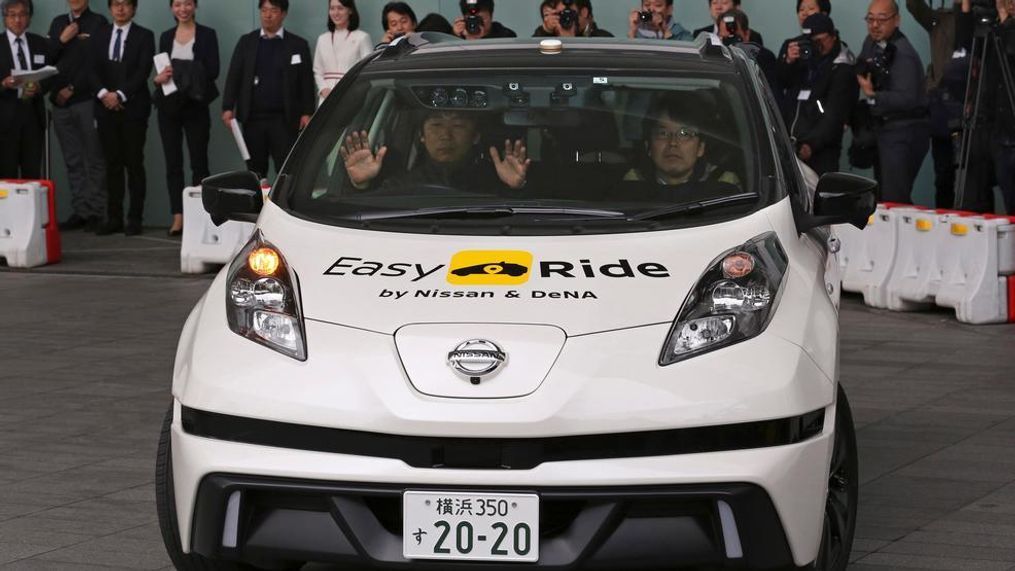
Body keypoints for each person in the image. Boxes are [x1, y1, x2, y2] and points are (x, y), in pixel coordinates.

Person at [222, 0, 315, 181]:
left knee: (287, 171)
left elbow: (306, 81)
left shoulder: (298, 44)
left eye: (273, 10)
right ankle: (258, 208)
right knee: (255, 172)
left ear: (283, 13)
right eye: (264, 10)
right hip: (253, 119)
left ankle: (282, 208)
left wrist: (307, 112)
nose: (268, 15)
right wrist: (227, 107)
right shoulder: (247, 42)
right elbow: (234, 76)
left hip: (285, 120)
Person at [89, 0, 155, 236]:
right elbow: (91, 68)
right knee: (112, 164)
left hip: (134, 109)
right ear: (110, 8)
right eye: (116, 4)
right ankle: (113, 217)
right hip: (104, 107)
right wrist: (104, 95)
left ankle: (134, 218)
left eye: (125, 4)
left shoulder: (144, 36)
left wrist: (120, 95)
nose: (120, 9)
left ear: (134, 8)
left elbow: (143, 70)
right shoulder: (100, 33)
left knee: (134, 164)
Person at [154, 0, 219, 237]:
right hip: (169, 106)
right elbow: (160, 70)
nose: (183, 9)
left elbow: (213, 70)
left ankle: (200, 215)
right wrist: (159, 78)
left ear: (195, 6)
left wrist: (179, 70)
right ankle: (178, 217)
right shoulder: (165, 36)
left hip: (195, 105)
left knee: (199, 163)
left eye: (187, 3)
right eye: (178, 4)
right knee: (173, 164)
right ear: (172, 8)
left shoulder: (207, 35)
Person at [341, 111, 530, 191]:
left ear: (475, 136)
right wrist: (361, 186)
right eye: (436, 125)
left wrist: (515, 189)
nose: (445, 135)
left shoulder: (495, 181)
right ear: (421, 136)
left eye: (458, 125)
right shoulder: (402, 184)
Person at [857, 0, 931, 203]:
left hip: (905, 130)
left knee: (895, 198)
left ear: (897, 20)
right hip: (883, 128)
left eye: (881, 19)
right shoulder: (871, 43)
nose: (874, 25)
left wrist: (873, 95)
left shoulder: (903, 53)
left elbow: (908, 99)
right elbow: (862, 67)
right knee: (882, 197)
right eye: (870, 19)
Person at [48, 0, 108, 231]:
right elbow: (47, 57)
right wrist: (61, 40)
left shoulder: (97, 22)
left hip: (86, 100)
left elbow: (95, 64)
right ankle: (81, 210)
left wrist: (73, 88)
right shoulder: (58, 23)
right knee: (72, 160)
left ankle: (97, 211)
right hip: (60, 104)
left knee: (94, 158)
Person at [907, 0, 968, 209]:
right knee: (943, 174)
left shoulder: (985, 17)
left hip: (974, 103)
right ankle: (945, 220)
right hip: (942, 106)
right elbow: (914, 6)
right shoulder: (940, 20)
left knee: (975, 176)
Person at [779, 13, 857, 175]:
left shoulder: (842, 67)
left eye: (819, 41)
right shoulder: (804, 58)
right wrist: (788, 63)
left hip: (821, 150)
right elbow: (782, 84)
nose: (816, 46)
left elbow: (835, 114)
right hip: (791, 143)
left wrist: (811, 144)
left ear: (833, 36)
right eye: (811, 42)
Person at [624, 94, 740, 187]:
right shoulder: (633, 184)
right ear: (648, 146)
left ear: (700, 147)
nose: (673, 142)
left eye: (684, 134)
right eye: (663, 133)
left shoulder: (723, 184)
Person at [1, 0, 51, 180]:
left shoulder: (40, 43)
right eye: (12, 15)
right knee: (6, 178)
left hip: (33, 120)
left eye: (22, 14)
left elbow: (51, 75)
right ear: (5, 18)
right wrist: (3, 84)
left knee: (33, 177)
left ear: (29, 18)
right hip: (4, 124)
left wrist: (40, 87)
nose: (17, 19)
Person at [313, 0, 371, 102]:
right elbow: (317, 70)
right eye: (332, 8)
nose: (336, 13)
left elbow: (368, 70)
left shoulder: (362, 37)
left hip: (351, 94)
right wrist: (323, 89)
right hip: (326, 96)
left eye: (340, 8)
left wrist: (354, 91)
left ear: (350, 10)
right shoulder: (323, 39)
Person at [717, 9, 780, 97]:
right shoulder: (716, 58)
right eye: (724, 38)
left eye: (733, 37)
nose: (729, 43)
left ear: (746, 34)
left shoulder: (763, 57)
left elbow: (772, 96)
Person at [776, 0, 832, 89]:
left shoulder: (831, 44)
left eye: (811, 8)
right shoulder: (792, 45)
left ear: (824, 14)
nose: (804, 13)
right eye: (801, 10)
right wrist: (788, 61)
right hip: (796, 100)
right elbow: (780, 83)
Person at [693, 0, 763, 45]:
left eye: (724, 2)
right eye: (714, 3)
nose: (718, 7)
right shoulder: (700, 35)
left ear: (737, 7)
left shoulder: (753, 36)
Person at [533, 0, 613, 38]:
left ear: (584, 12)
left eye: (569, 13)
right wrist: (545, 31)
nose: (565, 18)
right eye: (560, 14)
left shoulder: (603, 39)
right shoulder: (548, 39)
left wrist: (569, 42)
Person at [628, 0, 693, 40]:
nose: (651, 9)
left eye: (658, 5)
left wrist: (665, 31)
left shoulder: (683, 36)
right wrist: (633, 31)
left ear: (669, 9)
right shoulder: (637, 34)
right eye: (647, 5)